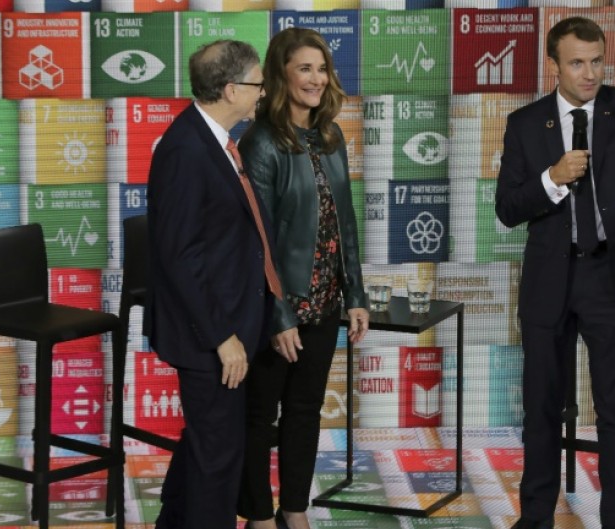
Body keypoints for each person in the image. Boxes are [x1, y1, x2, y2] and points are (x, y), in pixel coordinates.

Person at [495, 17, 615, 529]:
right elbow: (508, 208)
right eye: (577, 62)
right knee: (540, 408)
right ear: (554, 65)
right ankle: (535, 518)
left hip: (613, 277)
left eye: (597, 61)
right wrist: (552, 179)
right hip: (549, 282)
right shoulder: (524, 123)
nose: (589, 73)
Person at [236, 27, 370, 529]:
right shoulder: (261, 142)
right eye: (304, 69)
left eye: (322, 68)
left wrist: (354, 292)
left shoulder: (330, 134)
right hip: (279, 305)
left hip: (325, 299)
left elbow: (344, 220)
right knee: (259, 414)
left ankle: (295, 509)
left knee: (306, 410)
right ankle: (258, 515)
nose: (316, 79)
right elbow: (258, 241)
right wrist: (278, 316)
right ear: (280, 75)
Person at [144, 39, 278, 529]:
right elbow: (179, 257)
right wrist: (222, 337)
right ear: (229, 89)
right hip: (210, 334)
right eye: (257, 82)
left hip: (233, 321)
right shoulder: (185, 150)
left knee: (210, 442)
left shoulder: (216, 141)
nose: (263, 91)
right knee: (218, 456)